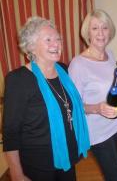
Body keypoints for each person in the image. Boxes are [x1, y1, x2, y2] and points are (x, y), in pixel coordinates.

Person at [2, 16, 90, 181]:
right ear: (31, 47)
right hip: (38, 164)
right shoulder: (18, 79)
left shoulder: (63, 70)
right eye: (48, 39)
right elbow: (11, 131)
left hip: (67, 157)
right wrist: (16, 173)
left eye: (58, 39)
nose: (56, 44)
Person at [68, 9, 117, 181]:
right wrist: (97, 108)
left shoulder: (110, 56)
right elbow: (73, 105)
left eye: (104, 28)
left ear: (110, 31)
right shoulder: (78, 64)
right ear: (87, 33)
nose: (100, 33)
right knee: (114, 176)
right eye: (95, 28)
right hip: (98, 131)